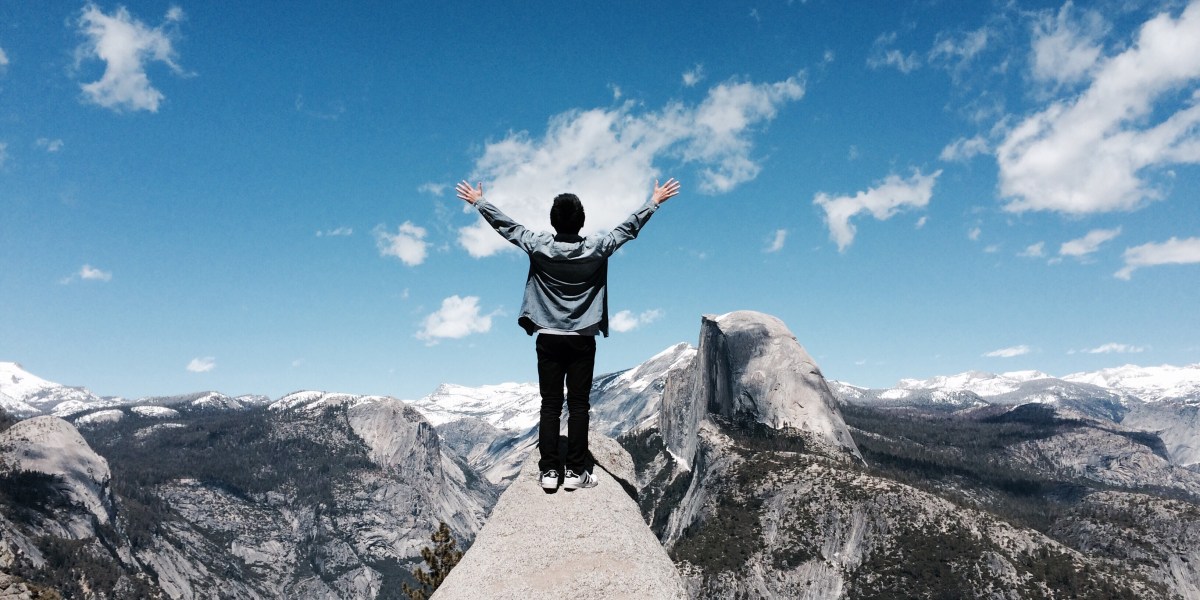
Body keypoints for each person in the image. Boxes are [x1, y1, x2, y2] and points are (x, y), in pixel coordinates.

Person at [455, 178, 681, 490]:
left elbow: (507, 227)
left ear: (552, 221)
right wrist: (653, 202)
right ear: (581, 222)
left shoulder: (539, 245)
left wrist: (479, 202)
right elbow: (627, 229)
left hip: (548, 336)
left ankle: (549, 471)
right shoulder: (596, 249)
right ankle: (576, 472)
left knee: (549, 404)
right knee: (578, 405)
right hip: (581, 339)